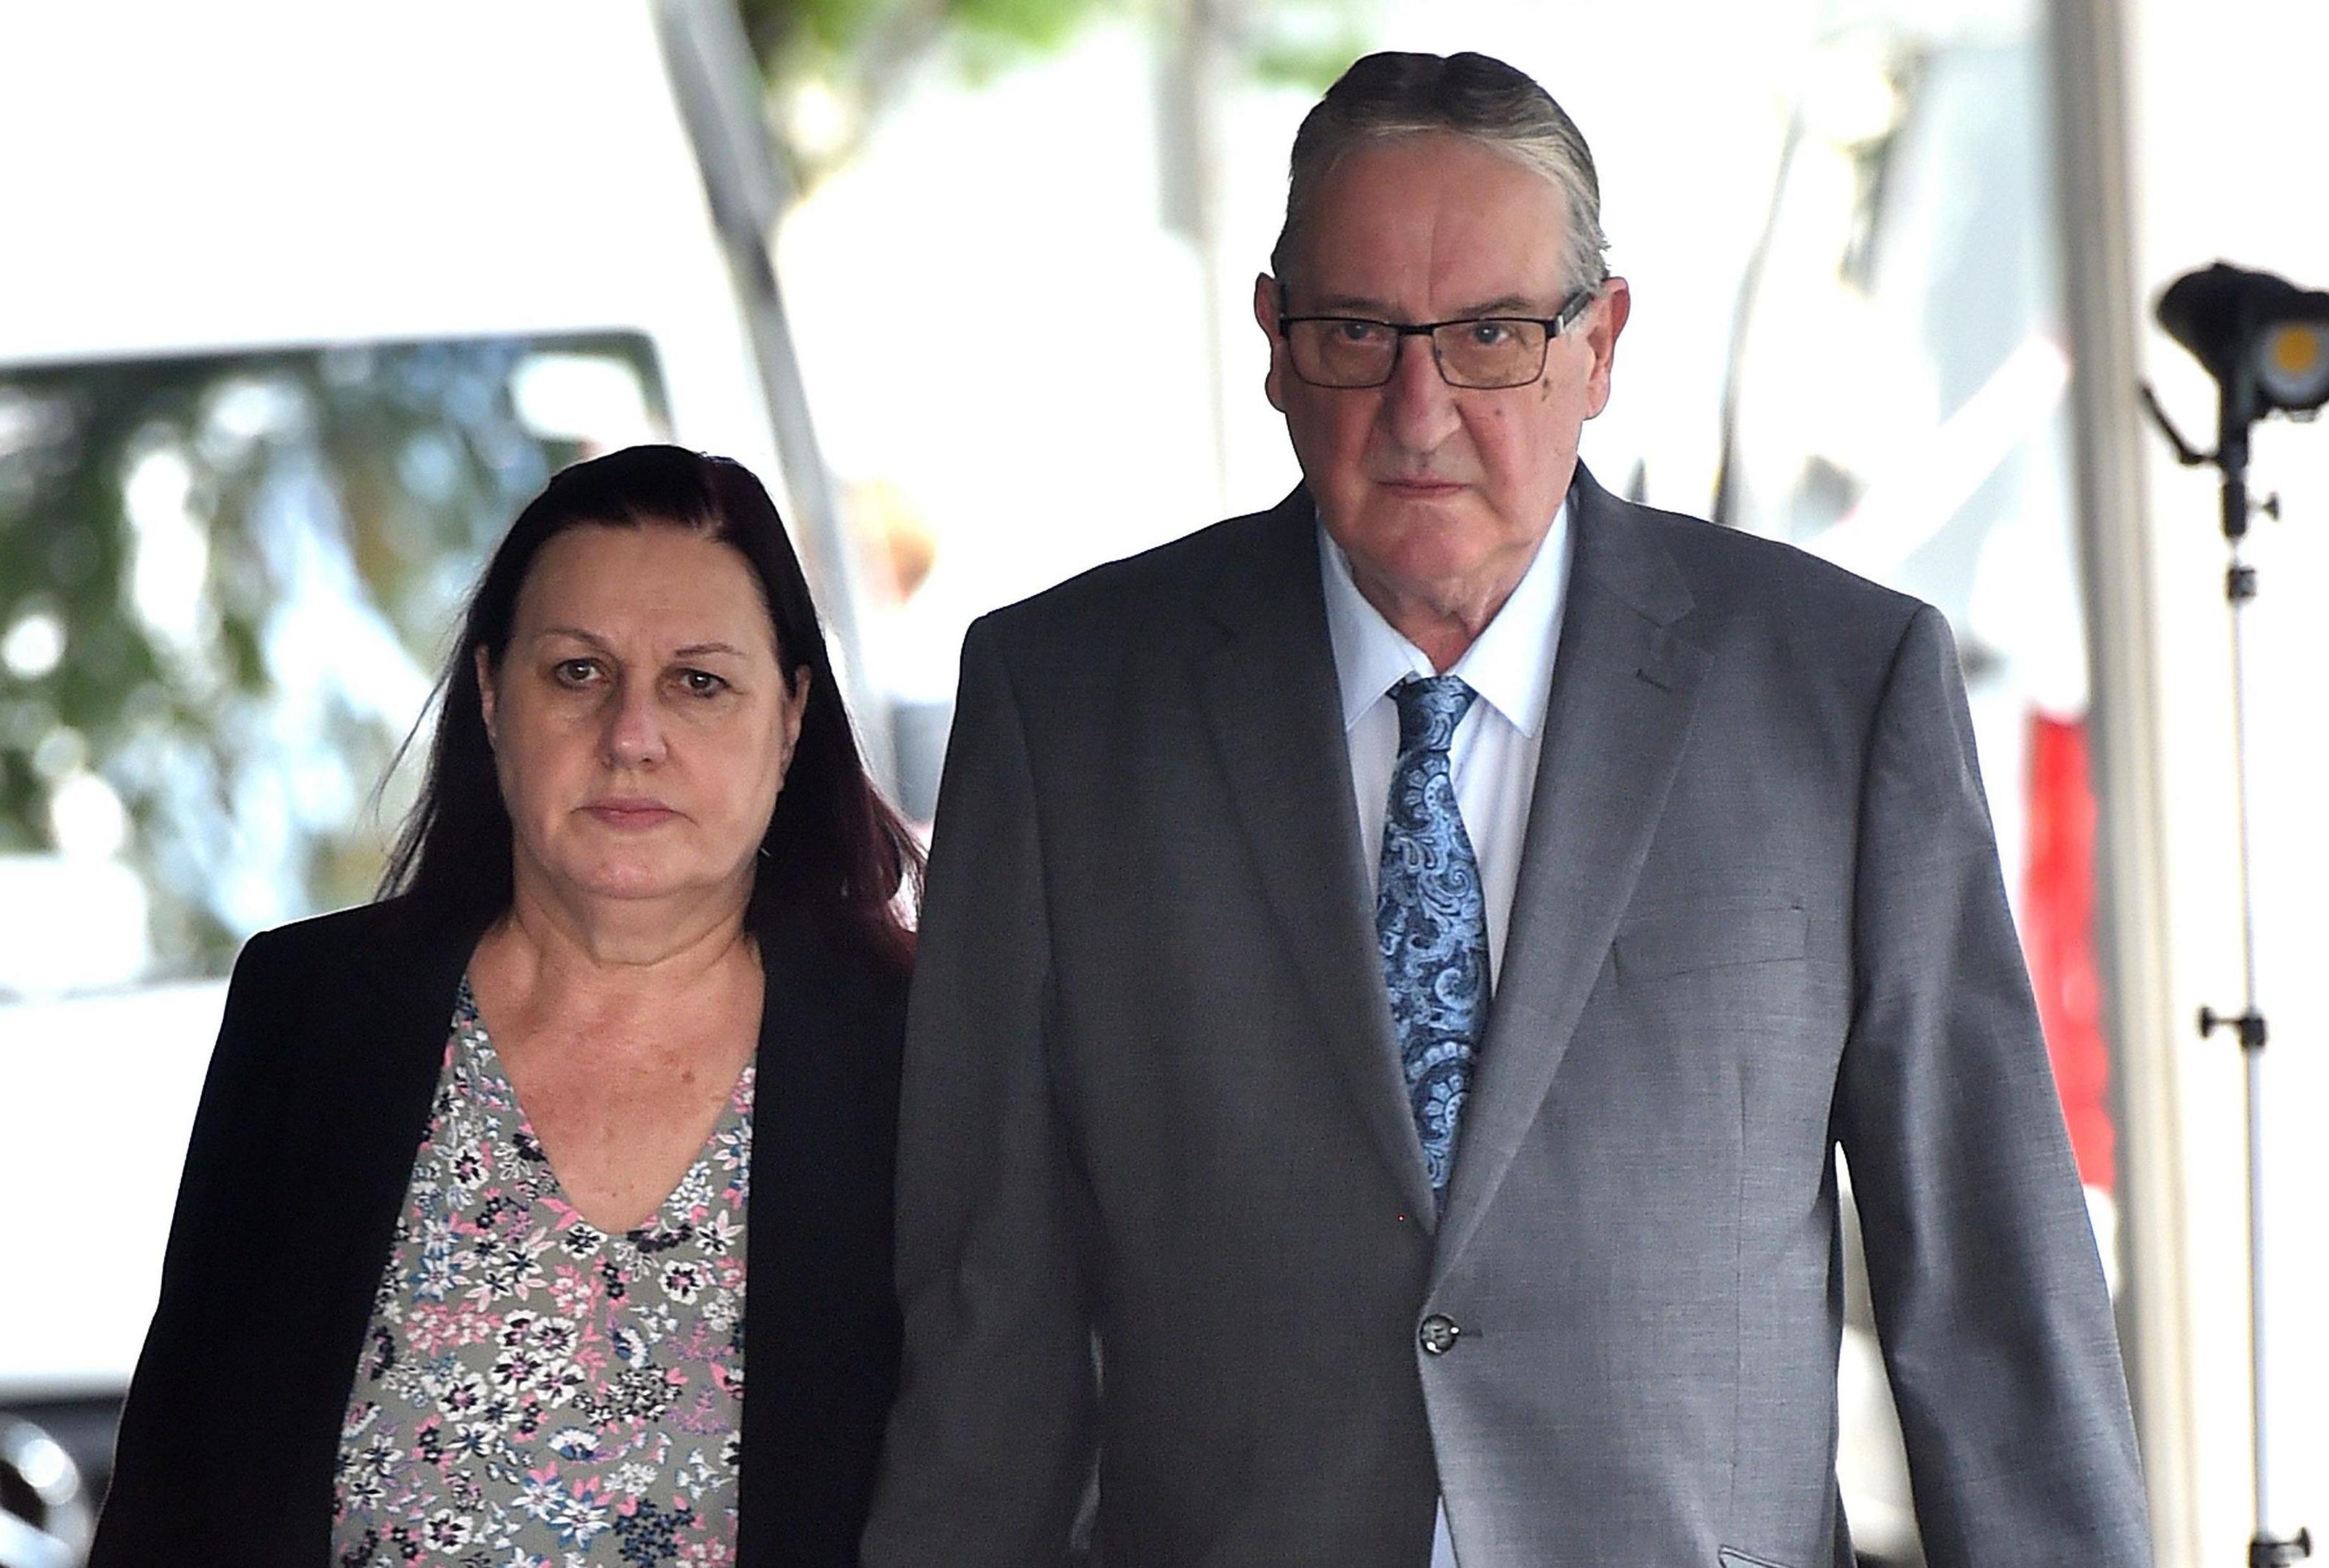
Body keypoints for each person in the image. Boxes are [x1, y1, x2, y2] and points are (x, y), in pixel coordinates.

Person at [863, 50, 2150, 1568]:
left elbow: (1995, 1295)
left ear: (1601, 345)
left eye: (1491, 337)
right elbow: (990, 1323)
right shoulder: (1068, 708)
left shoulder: (1836, 690)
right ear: (1274, 340)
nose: (1423, 407)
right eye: (1360, 332)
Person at [92, 446, 921, 1564]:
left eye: (699, 681)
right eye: (578, 672)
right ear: (491, 696)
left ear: (790, 717)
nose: (633, 735)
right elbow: (173, 1492)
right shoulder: (315, 1015)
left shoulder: (923, 1042)